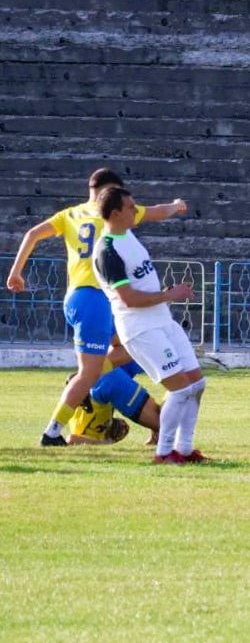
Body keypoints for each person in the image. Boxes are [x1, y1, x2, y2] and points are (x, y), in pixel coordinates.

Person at [7, 167, 186, 446]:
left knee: (134, 346)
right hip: (93, 297)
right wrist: (176, 205)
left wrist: (16, 272)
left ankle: (100, 380)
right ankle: (52, 432)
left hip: (86, 298)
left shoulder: (69, 214)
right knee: (90, 372)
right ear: (110, 192)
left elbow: (32, 234)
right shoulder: (114, 213)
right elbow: (158, 211)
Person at [92, 185, 208, 464]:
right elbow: (128, 299)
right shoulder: (107, 251)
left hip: (162, 321)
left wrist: (175, 205)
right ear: (116, 213)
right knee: (181, 389)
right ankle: (164, 453)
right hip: (140, 329)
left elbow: (156, 212)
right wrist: (170, 295)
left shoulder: (127, 233)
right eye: (131, 207)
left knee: (197, 383)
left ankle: (185, 449)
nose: (136, 211)